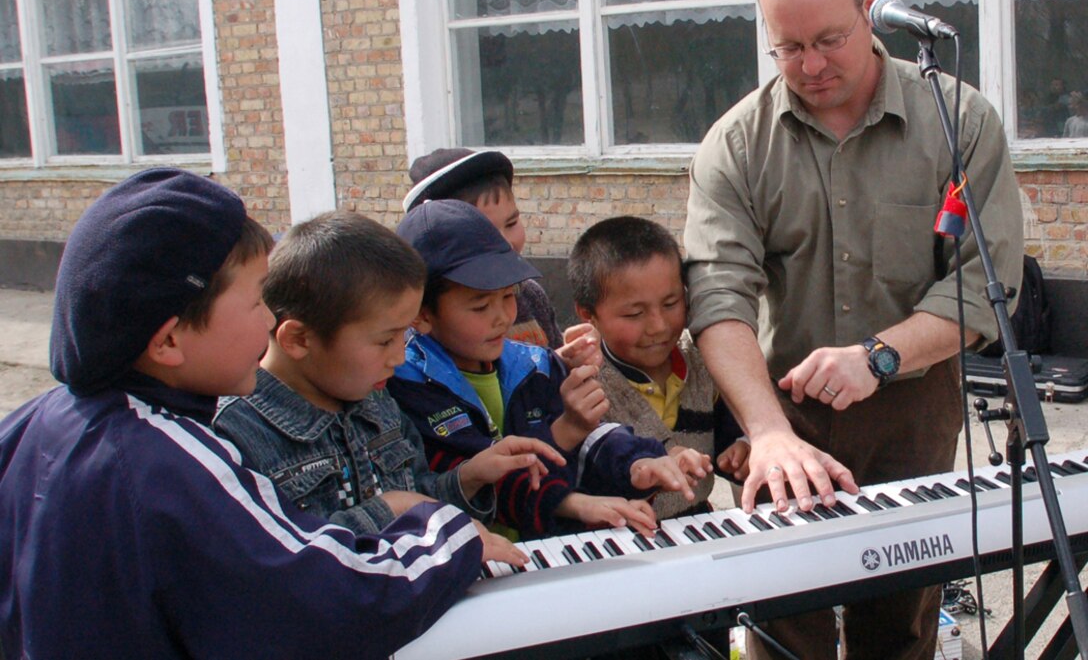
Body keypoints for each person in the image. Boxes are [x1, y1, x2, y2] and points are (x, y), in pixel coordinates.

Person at [683, 0, 1024, 660]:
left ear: (871, 7)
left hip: (913, 412)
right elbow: (717, 297)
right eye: (788, 46)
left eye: (830, 38)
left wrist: (879, 355)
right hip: (783, 416)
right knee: (783, 631)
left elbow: (985, 278)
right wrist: (768, 430)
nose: (810, 64)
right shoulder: (735, 145)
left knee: (899, 629)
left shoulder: (958, 122)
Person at [0, 169, 486, 660]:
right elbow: (326, 602)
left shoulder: (33, 422)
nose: (271, 319)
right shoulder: (170, 458)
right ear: (168, 340)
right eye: (256, 301)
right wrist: (449, 538)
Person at [213, 210, 565, 565]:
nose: (400, 357)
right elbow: (271, 559)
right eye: (385, 341)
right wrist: (389, 509)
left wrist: (469, 477)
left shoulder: (375, 400)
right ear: (299, 338)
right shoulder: (234, 435)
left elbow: (419, 495)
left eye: (405, 335)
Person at [389, 199, 711, 539]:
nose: (502, 317)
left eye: (508, 296)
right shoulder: (405, 388)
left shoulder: (534, 365)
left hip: (543, 554)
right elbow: (478, 480)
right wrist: (571, 491)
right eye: (480, 306)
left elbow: (596, 435)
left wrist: (639, 464)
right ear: (421, 314)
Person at [567, 215, 750, 519]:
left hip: (699, 525)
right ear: (588, 314)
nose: (658, 326)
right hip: (619, 539)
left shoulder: (702, 363)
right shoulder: (584, 386)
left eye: (671, 303)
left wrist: (740, 450)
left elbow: (726, 438)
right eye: (634, 314)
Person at [404, 147, 566, 350]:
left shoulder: (530, 295)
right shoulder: (413, 338)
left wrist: (565, 364)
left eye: (511, 223)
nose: (505, 243)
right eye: (480, 307)